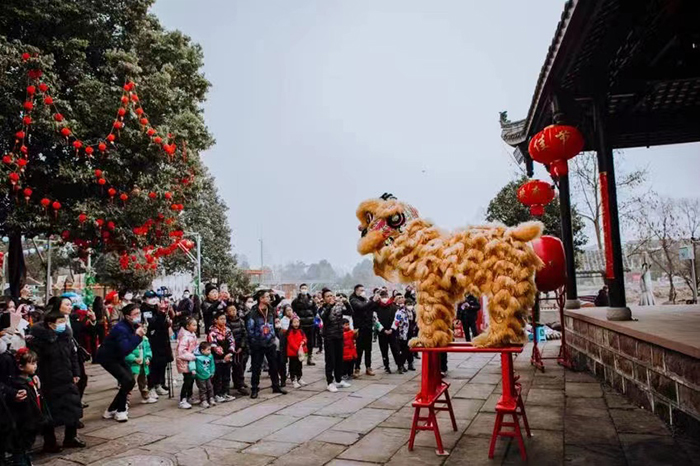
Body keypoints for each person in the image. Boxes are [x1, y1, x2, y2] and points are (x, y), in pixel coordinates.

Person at [26, 311, 85, 451]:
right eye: (59, 323)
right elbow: (35, 362)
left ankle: (71, 437)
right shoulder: (38, 341)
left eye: (63, 322)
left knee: (72, 409)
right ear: (50, 324)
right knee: (50, 414)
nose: (62, 325)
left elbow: (73, 355)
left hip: (67, 378)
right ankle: (50, 442)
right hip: (48, 380)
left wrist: (76, 373)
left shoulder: (66, 337)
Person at [95, 304, 144, 423]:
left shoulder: (132, 325)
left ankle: (112, 409)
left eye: (139, 313)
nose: (139, 316)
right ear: (128, 316)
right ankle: (120, 410)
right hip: (108, 357)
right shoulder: (121, 329)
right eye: (135, 314)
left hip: (118, 357)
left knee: (130, 381)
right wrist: (138, 336)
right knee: (126, 380)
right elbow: (125, 348)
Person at [8, 348, 50, 465]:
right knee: (22, 448)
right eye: (32, 363)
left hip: (33, 421)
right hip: (26, 423)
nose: (35, 366)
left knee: (27, 447)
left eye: (35, 363)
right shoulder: (19, 385)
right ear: (21, 367)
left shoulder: (29, 380)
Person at [247, 289, 286, 399]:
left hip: (270, 342)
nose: (269, 298)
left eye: (269, 297)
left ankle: (276, 386)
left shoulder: (271, 309)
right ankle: (254, 388)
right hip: (258, 343)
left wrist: (274, 337)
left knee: (273, 365)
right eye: (267, 297)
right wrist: (254, 342)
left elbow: (277, 300)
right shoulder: (253, 312)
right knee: (256, 367)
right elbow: (250, 329)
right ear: (261, 299)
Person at [319, 288, 353, 392]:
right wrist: (330, 305)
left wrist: (346, 302)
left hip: (339, 335)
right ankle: (330, 382)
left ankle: (339, 380)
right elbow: (324, 317)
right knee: (330, 360)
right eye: (327, 296)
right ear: (324, 299)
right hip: (329, 337)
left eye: (331, 295)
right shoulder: (322, 308)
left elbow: (350, 312)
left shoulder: (338, 306)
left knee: (339, 359)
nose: (330, 298)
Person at [143, 291, 173, 398]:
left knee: (162, 363)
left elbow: (166, 322)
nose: (154, 300)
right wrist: (160, 313)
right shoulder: (145, 310)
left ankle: (159, 384)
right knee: (153, 365)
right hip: (152, 341)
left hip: (163, 340)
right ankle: (151, 386)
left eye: (155, 297)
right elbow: (152, 323)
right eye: (151, 298)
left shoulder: (159, 309)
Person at [208, 311, 236, 403]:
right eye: (221, 319)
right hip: (217, 358)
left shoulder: (227, 330)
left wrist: (230, 352)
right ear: (216, 320)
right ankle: (217, 394)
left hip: (228, 357)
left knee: (226, 376)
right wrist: (223, 355)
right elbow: (214, 345)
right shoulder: (212, 332)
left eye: (224, 319)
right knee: (217, 377)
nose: (224, 321)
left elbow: (232, 341)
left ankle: (225, 392)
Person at [124, 327, 156, 404]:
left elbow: (148, 350)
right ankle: (125, 399)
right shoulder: (130, 339)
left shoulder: (145, 340)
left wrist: (148, 358)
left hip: (143, 364)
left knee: (143, 381)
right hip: (134, 365)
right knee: (132, 381)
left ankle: (145, 395)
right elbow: (126, 353)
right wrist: (134, 359)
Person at [349, 284, 375, 377]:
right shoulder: (353, 300)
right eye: (361, 290)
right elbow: (361, 307)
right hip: (359, 328)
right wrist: (372, 301)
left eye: (363, 290)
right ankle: (357, 368)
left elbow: (370, 308)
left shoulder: (365, 299)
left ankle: (368, 367)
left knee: (368, 349)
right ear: (356, 291)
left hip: (368, 327)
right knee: (359, 349)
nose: (362, 292)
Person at [375, 290, 401, 373]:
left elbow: (397, 318)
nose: (384, 299)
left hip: (392, 332)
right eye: (383, 297)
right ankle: (386, 366)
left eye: (385, 297)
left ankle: (399, 365)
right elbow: (375, 320)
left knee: (395, 349)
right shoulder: (376, 307)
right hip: (382, 332)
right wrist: (383, 330)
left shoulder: (394, 307)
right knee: (384, 350)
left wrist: (392, 329)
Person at [226, 304, 249, 396]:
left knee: (239, 367)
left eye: (234, 310)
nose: (233, 312)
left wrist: (241, 346)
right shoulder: (226, 322)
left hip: (239, 347)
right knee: (228, 368)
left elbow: (244, 334)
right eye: (230, 310)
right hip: (230, 348)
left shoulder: (241, 321)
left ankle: (239, 384)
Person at [292, 284, 317, 366]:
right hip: (301, 324)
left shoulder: (311, 300)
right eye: (302, 288)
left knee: (310, 341)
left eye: (305, 288)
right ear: (300, 289)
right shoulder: (296, 301)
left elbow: (315, 310)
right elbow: (294, 311)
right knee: (300, 341)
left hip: (310, 323)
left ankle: (310, 357)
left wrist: (312, 318)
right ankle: (300, 356)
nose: (304, 289)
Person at [176, 318, 198, 409]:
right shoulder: (185, 336)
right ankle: (183, 399)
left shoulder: (192, 335)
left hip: (190, 361)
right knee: (187, 380)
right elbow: (181, 351)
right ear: (187, 326)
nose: (196, 327)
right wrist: (192, 356)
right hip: (185, 361)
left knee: (191, 379)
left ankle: (189, 396)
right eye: (193, 325)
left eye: (196, 325)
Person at [190, 341, 216, 408]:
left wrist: (212, 371)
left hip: (208, 375)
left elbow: (212, 364)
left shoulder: (210, 356)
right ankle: (203, 400)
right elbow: (192, 362)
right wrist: (193, 369)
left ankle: (211, 398)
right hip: (199, 375)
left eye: (210, 349)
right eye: (208, 350)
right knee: (202, 388)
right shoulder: (196, 357)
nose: (209, 351)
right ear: (202, 350)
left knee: (210, 387)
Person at [392, 294, 414, 372]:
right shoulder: (400, 312)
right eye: (408, 304)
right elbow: (396, 322)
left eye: (411, 304)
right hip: (402, 333)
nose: (410, 306)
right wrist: (394, 331)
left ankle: (406, 364)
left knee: (408, 350)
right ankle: (401, 364)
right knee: (403, 350)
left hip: (410, 333)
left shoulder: (412, 312)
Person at [286, 316, 307, 389]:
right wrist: (297, 349)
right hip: (293, 353)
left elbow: (305, 338)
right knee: (293, 366)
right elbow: (291, 342)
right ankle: (293, 379)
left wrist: (303, 342)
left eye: (297, 322)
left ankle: (299, 378)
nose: (296, 324)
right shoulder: (290, 332)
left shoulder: (301, 331)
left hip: (300, 353)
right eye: (294, 322)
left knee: (299, 366)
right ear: (291, 323)